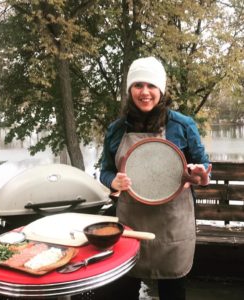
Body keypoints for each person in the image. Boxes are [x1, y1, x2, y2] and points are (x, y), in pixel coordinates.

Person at [97, 56, 212, 300]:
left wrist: (198, 174)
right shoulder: (117, 129)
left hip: (172, 225)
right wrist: (112, 182)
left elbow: (203, 166)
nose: (145, 92)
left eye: (151, 85)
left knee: (173, 291)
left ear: (160, 89)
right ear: (130, 90)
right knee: (124, 289)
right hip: (131, 224)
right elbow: (105, 170)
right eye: (138, 85)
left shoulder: (182, 125)